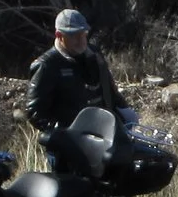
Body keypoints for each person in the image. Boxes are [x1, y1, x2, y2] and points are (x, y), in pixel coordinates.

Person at [25, 9, 132, 155]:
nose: (81, 40)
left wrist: (124, 112)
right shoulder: (47, 65)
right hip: (68, 148)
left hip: (102, 137)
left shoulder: (94, 55)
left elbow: (109, 90)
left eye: (83, 34)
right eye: (74, 36)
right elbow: (34, 111)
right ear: (59, 36)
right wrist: (64, 133)